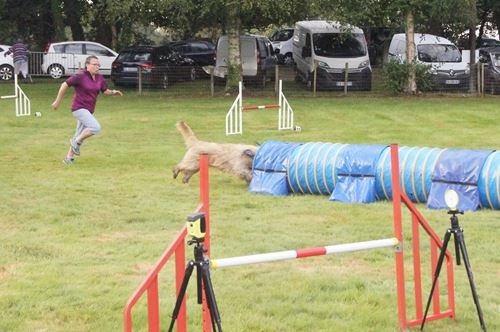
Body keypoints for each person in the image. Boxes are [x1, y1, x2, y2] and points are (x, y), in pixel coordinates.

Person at [51, 55, 123, 164]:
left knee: (79, 133)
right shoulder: (80, 76)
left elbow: (105, 91)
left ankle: (68, 159)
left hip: (89, 110)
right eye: (94, 64)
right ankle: (75, 142)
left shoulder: (99, 78)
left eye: (98, 65)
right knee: (95, 127)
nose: (97, 67)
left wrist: (113, 92)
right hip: (79, 108)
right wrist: (57, 101)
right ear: (87, 65)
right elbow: (64, 84)